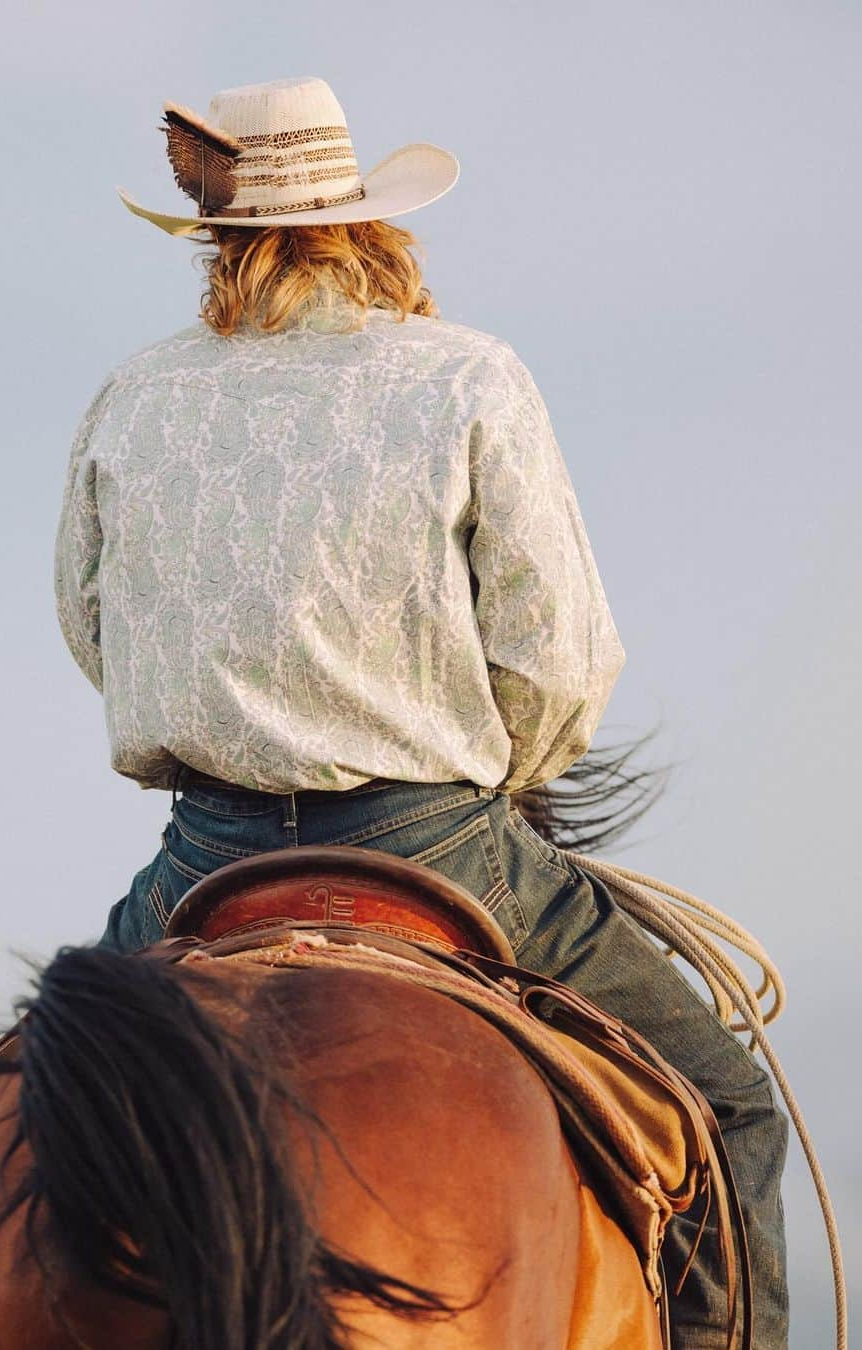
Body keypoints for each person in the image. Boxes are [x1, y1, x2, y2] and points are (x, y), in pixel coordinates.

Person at [53, 75, 788, 1347]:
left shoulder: (136, 396)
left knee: (14, 1105)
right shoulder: (466, 378)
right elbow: (557, 652)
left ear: (218, 244)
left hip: (204, 856)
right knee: (727, 1108)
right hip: (432, 841)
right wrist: (498, 775)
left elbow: (92, 626)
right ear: (369, 225)